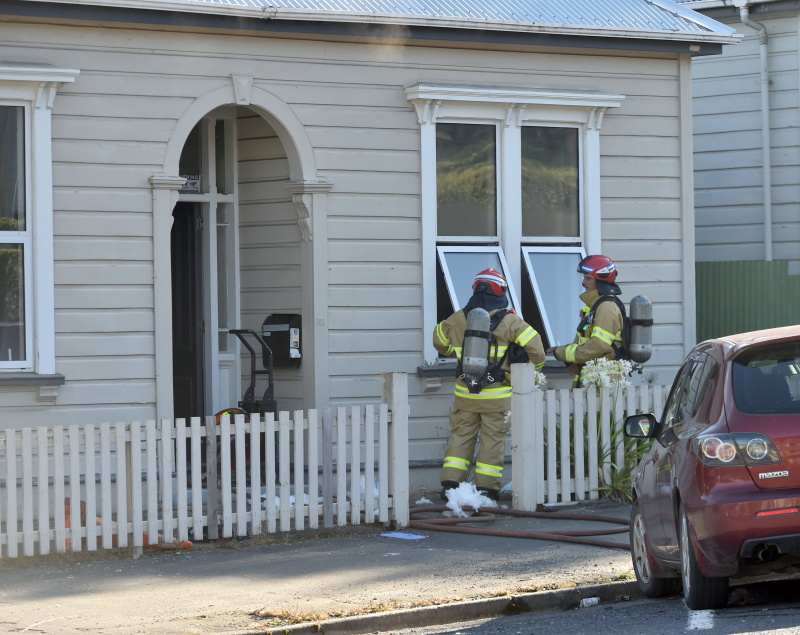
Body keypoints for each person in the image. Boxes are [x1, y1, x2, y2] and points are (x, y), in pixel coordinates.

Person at [433, 268, 546, 501]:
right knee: (492, 441)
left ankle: (450, 485)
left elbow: (439, 342)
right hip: (497, 396)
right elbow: (538, 351)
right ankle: (486, 489)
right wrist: (523, 372)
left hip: (465, 394)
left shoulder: (456, 318)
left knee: (461, 437)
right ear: (501, 291)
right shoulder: (511, 321)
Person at [546, 254, 624, 386]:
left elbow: (599, 345)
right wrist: (571, 361)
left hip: (603, 384)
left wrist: (561, 352)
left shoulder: (606, 307)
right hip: (592, 383)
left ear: (601, 280)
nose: (583, 282)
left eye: (588, 278)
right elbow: (583, 342)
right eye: (584, 278)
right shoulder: (596, 307)